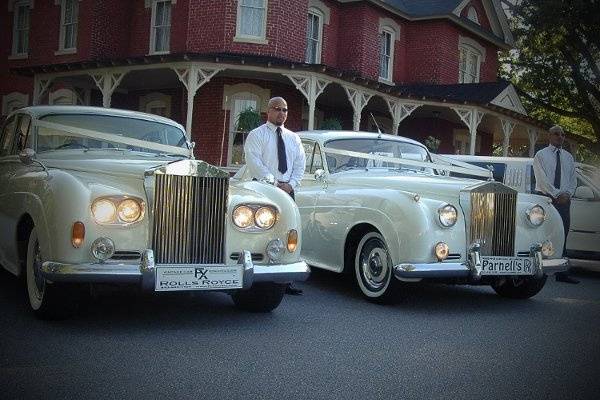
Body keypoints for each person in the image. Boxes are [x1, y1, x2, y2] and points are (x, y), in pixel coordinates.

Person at [244, 97, 306, 294]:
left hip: (288, 190)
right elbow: (254, 161)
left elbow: (300, 164)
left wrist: (291, 184)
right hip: (262, 189)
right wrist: (274, 183)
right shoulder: (257, 135)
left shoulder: (293, 138)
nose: (281, 113)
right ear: (268, 111)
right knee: (260, 230)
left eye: (285, 110)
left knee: (288, 232)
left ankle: (285, 280)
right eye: (277, 109)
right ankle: (258, 275)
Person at [533, 125, 579, 284]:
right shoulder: (541, 155)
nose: (560, 137)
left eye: (563, 135)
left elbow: (573, 180)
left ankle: (562, 273)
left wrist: (568, 194)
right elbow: (542, 180)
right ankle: (539, 269)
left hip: (564, 201)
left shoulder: (568, 157)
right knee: (542, 233)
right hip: (546, 199)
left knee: (562, 233)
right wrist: (556, 194)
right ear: (550, 136)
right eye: (557, 134)